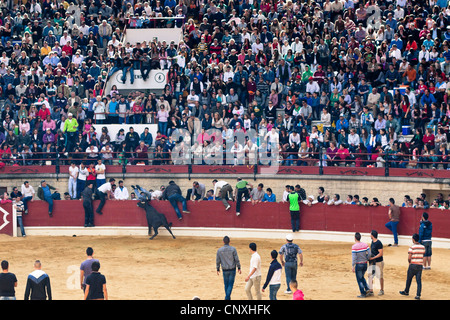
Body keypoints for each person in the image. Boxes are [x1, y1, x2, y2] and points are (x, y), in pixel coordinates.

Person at [399, 233, 425, 300]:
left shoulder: (412, 247)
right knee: (419, 281)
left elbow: (409, 257)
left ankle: (406, 291)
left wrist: (410, 263)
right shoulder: (423, 247)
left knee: (409, 279)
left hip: (413, 265)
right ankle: (418, 295)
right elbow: (423, 256)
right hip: (419, 265)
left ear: (413, 239)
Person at [216, 236, 241, 300]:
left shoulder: (219, 250)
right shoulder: (233, 249)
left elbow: (218, 260)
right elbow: (236, 259)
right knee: (230, 284)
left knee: (226, 285)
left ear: (223, 242)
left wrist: (218, 268)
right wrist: (239, 267)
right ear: (229, 242)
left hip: (224, 270)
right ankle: (227, 298)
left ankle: (227, 298)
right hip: (232, 269)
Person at [352, 232, 370, 298]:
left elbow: (354, 258)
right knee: (362, 277)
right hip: (365, 264)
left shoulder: (354, 247)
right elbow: (369, 253)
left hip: (359, 265)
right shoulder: (365, 245)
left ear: (355, 238)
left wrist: (352, 266)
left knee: (359, 279)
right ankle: (367, 289)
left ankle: (363, 293)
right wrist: (367, 258)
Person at [367, 230, 384, 296]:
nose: (370, 235)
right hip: (372, 262)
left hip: (378, 262)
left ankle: (382, 290)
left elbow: (381, 253)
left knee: (380, 276)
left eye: (370, 234)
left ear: (372, 235)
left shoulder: (379, 243)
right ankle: (371, 291)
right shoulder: (372, 242)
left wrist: (373, 258)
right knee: (370, 275)